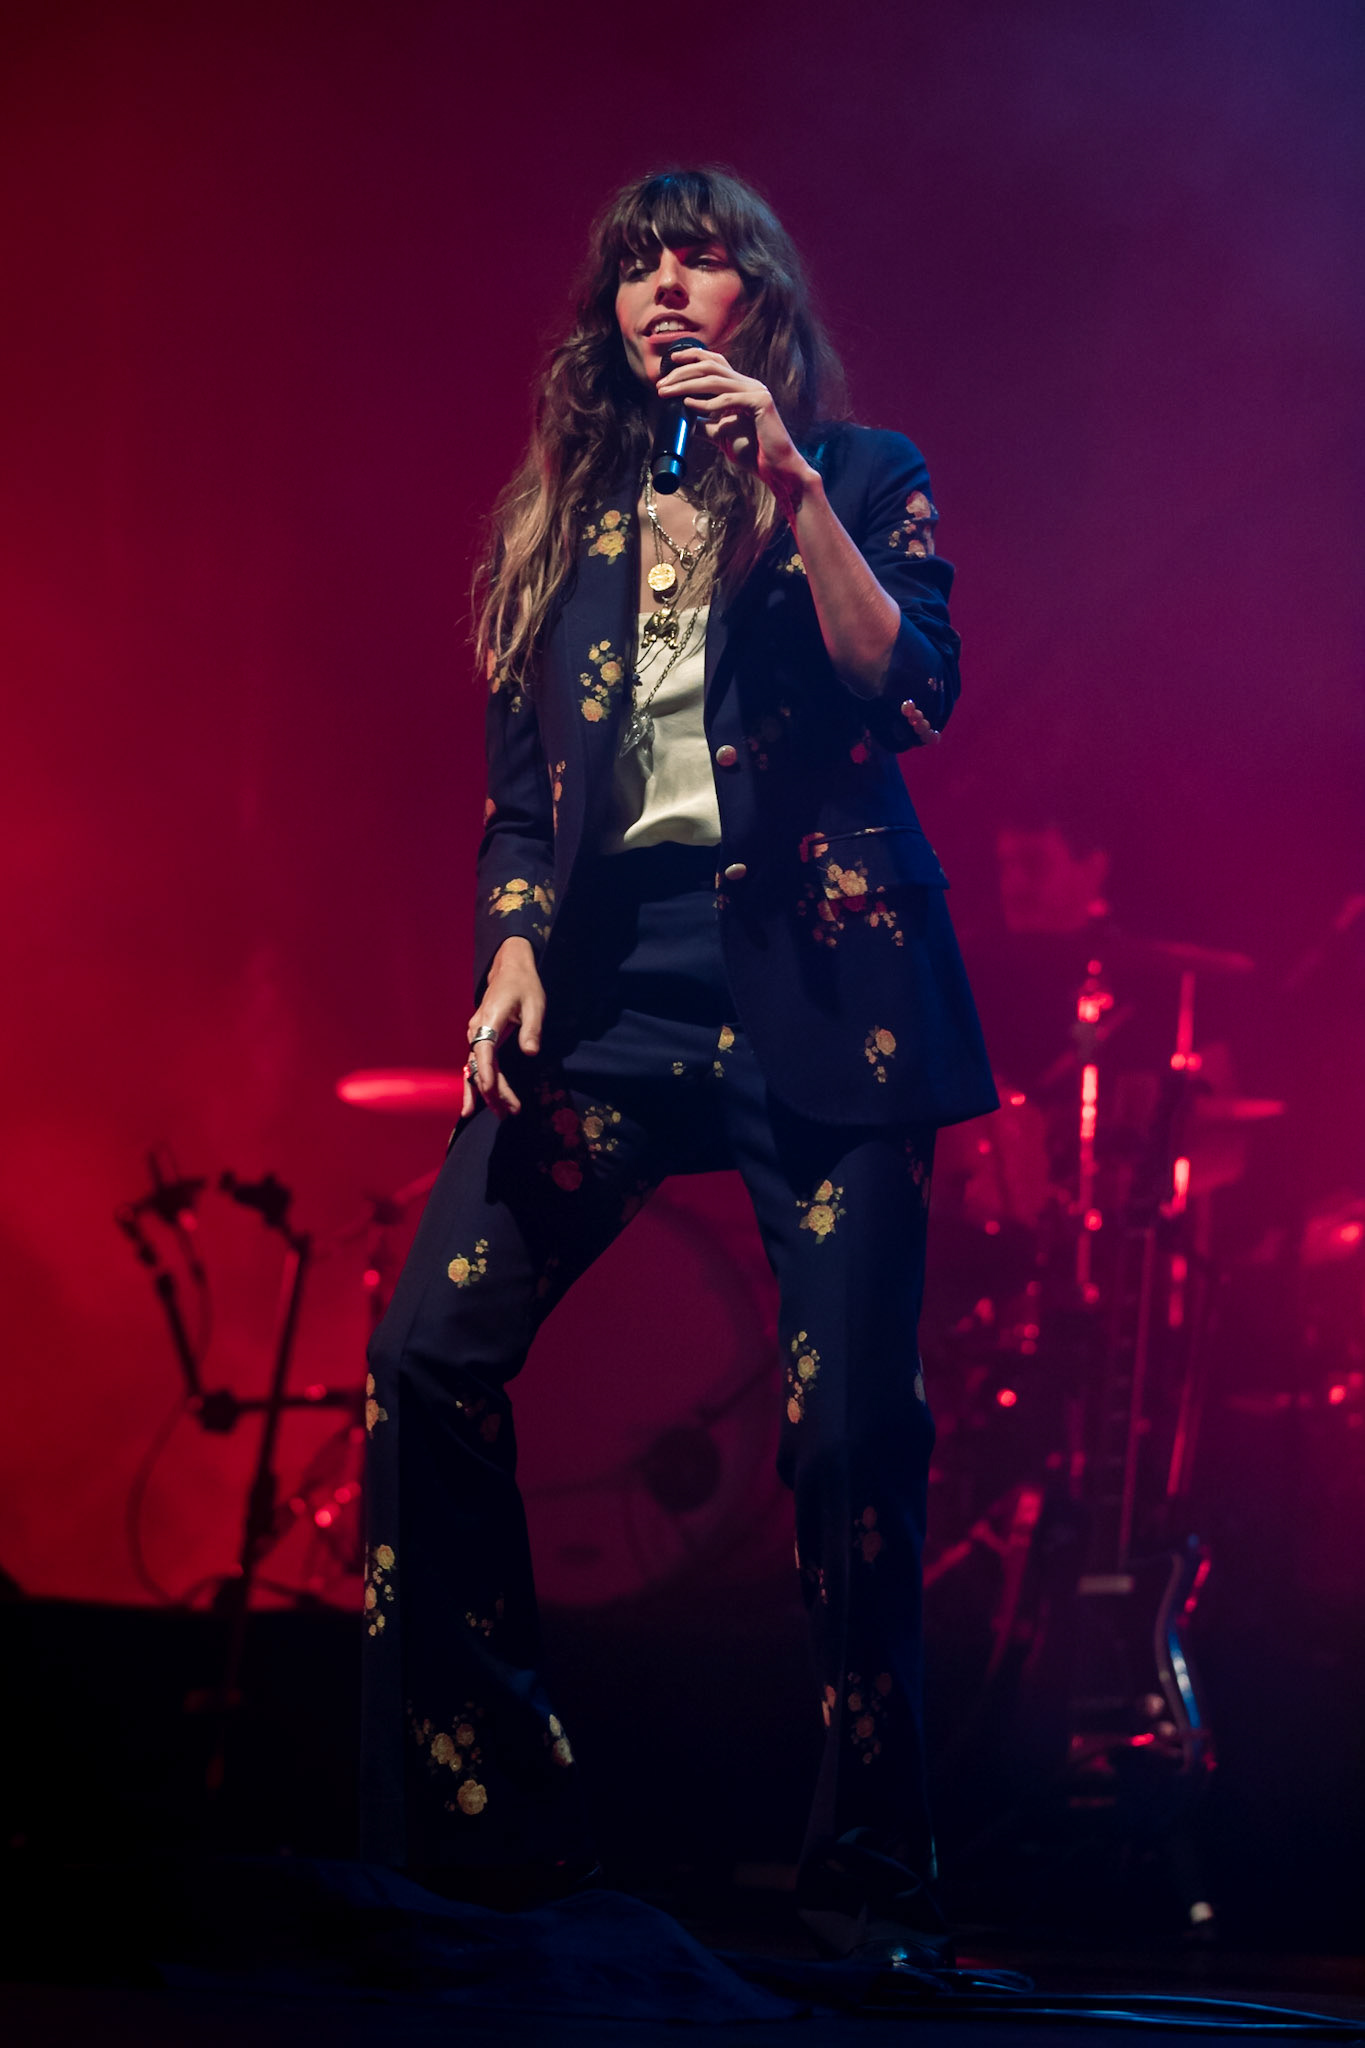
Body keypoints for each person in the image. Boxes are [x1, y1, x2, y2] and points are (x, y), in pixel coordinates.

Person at [361, 167, 996, 1963]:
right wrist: (503, 949)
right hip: (611, 1007)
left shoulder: (864, 476)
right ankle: (482, 1822)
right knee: (426, 1351)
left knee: (851, 1438)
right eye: (631, 265)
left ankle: (873, 1877)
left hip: (820, 998)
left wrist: (788, 487)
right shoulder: (559, 519)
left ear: (761, 295)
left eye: (696, 258)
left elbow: (917, 692)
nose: (661, 288)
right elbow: (515, 799)